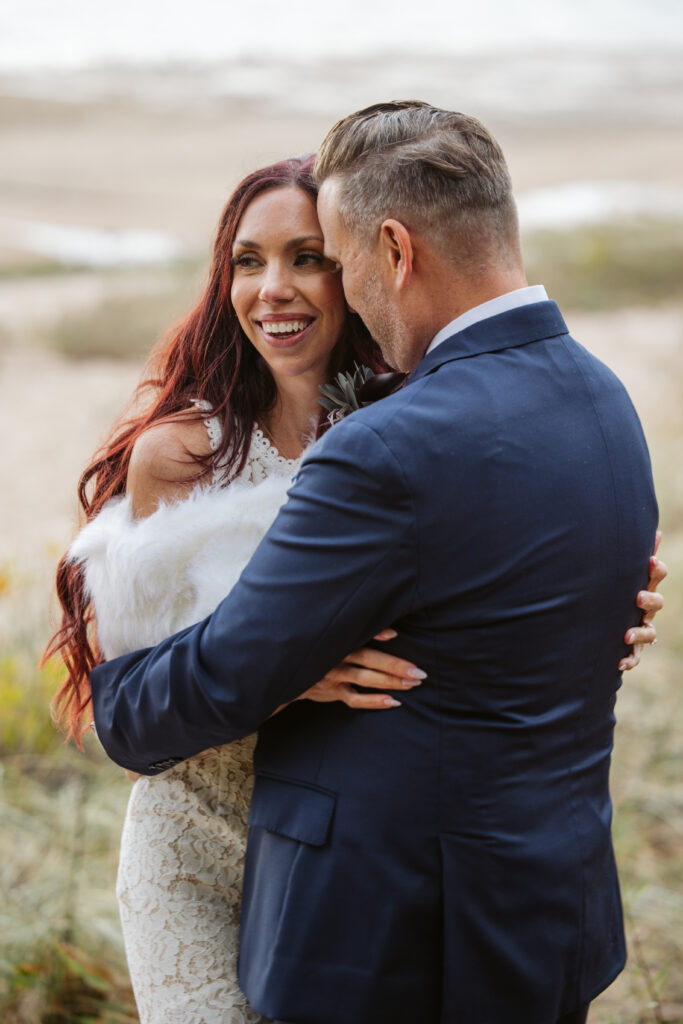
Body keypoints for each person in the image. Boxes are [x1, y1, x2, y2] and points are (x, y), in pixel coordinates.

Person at [86, 102, 663, 1024]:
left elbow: (221, 671)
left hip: (385, 923)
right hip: (540, 912)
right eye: (247, 260)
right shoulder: (602, 400)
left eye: (326, 258)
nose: (299, 288)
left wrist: (132, 706)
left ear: (391, 250)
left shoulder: (385, 445)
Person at [45, 156, 427, 1024]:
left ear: (356, 268)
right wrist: (280, 676)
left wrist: (611, 602)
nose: (274, 289)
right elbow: (138, 701)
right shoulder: (181, 458)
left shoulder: (410, 429)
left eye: (306, 257)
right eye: (248, 261)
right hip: (193, 846)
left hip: (348, 856)